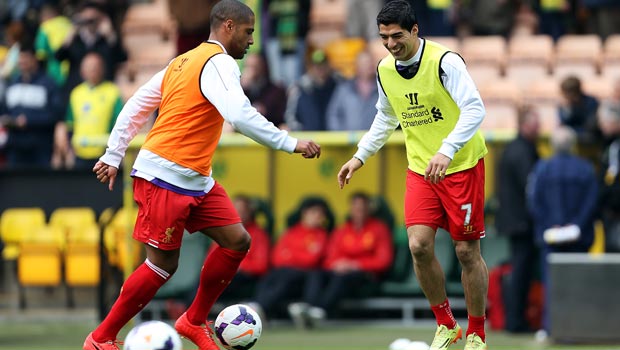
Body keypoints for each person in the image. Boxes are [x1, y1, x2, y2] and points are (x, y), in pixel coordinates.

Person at [83, 1, 321, 349]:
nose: (251, 40)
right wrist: (290, 143)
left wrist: (114, 152)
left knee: (237, 240)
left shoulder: (182, 61)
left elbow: (136, 103)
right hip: (164, 175)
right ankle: (101, 338)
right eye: (248, 31)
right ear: (228, 27)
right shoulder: (219, 61)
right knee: (162, 267)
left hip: (194, 178)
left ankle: (193, 320)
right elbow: (238, 116)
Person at [337, 1, 489, 349]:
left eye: (397, 36)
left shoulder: (445, 62)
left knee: (466, 252)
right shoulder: (385, 70)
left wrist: (447, 149)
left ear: (415, 30)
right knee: (419, 246)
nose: (390, 44)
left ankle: (477, 332)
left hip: (462, 166)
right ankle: (446, 324)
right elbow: (386, 117)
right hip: (421, 169)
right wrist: (359, 156)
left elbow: (475, 108)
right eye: (384, 37)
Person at [527, 125, 598, 336]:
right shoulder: (585, 169)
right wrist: (576, 225)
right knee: (579, 283)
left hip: (550, 237)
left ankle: (551, 328)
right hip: (580, 236)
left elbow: (534, 201)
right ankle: (579, 326)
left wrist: (552, 225)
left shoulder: (542, 168)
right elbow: (591, 201)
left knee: (552, 283)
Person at [287, 192, 394, 329]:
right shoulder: (342, 230)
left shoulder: (379, 229)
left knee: (342, 278)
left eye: (362, 208)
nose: (359, 211)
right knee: (316, 274)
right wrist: (338, 264)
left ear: (369, 209)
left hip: (365, 274)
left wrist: (356, 264)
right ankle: (310, 308)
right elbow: (329, 258)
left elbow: (383, 261)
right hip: (340, 271)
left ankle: (320, 311)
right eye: (356, 207)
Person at [248, 197, 331, 323]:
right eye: (315, 212)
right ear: (304, 214)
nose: (318, 217)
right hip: (285, 271)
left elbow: (311, 260)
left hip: (304, 274)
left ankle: (262, 308)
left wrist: (291, 256)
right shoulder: (291, 232)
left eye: (321, 214)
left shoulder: (321, 235)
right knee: (272, 276)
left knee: (292, 277)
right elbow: (277, 258)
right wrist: (297, 256)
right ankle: (257, 306)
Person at [495, 105, 540, 333]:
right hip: (521, 222)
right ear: (525, 124)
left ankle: (516, 320)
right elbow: (530, 186)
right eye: (535, 122)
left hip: (513, 220)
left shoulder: (513, 148)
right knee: (521, 273)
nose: (539, 127)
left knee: (520, 271)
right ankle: (515, 322)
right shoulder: (522, 151)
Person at [54, 52, 123, 170]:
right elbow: (70, 124)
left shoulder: (113, 92)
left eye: (95, 67)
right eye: (89, 67)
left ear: (102, 69)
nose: (92, 70)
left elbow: (119, 123)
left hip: (104, 154)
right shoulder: (76, 93)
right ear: (82, 70)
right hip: (79, 154)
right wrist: (69, 149)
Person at [0, 44, 61, 168]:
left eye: (26, 58)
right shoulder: (12, 85)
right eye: (20, 59)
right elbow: (4, 111)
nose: (22, 62)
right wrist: (7, 120)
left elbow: (55, 114)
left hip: (40, 146)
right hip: (15, 146)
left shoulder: (48, 84)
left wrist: (28, 121)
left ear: (34, 59)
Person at [284, 48, 338, 131]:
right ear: (309, 66)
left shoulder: (337, 87)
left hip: (333, 138)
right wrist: (301, 132)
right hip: (307, 139)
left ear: (328, 65)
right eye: (316, 65)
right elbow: (290, 116)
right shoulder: (299, 88)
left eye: (323, 64)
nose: (320, 68)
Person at [326, 49, 379, 131]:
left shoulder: (381, 88)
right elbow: (333, 115)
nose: (369, 65)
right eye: (365, 63)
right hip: (347, 142)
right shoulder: (344, 88)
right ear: (357, 66)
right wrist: (340, 136)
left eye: (370, 62)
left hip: (377, 141)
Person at [240, 52, 287, 129]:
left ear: (262, 67)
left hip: (270, 128)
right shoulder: (241, 89)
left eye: (254, 67)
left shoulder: (275, 90)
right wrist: (243, 88)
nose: (250, 71)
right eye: (248, 67)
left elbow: (264, 111)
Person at [597, 101, 620, 252]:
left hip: (615, 213)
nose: (602, 126)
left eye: (605, 122)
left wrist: (611, 205)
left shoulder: (615, 148)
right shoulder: (609, 144)